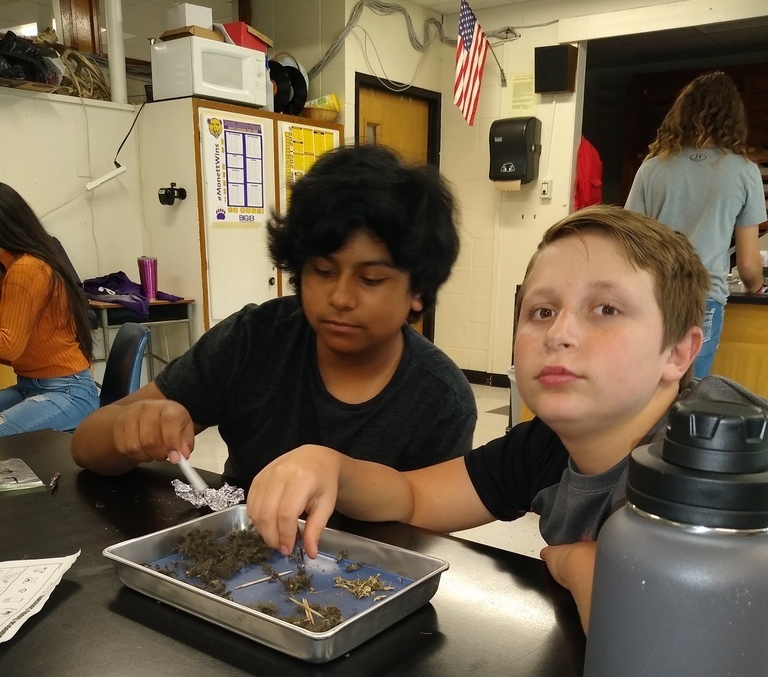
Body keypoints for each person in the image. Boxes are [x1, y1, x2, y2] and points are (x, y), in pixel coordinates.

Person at [245, 206, 768, 634]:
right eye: (542, 311)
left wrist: (584, 568)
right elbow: (414, 497)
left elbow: (679, 652)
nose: (559, 333)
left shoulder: (725, 453)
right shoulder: (548, 446)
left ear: (679, 352)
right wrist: (331, 465)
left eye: (605, 309)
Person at [71, 144, 476, 480]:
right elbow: (85, 445)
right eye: (323, 271)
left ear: (418, 289)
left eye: (370, 279)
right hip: (238, 561)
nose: (340, 297)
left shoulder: (441, 400)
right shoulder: (254, 340)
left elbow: (426, 540)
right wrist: (132, 429)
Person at [625, 70, 767, 378]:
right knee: (687, 402)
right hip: (702, 299)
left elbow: (629, 241)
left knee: (644, 390)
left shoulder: (652, 168)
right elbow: (747, 264)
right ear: (734, 117)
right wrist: (757, 287)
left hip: (653, 294)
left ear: (683, 111)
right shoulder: (744, 172)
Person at [0, 184, 99, 435]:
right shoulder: (12, 268)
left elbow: (8, 344)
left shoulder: (27, 268)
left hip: (67, 392)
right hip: (32, 387)